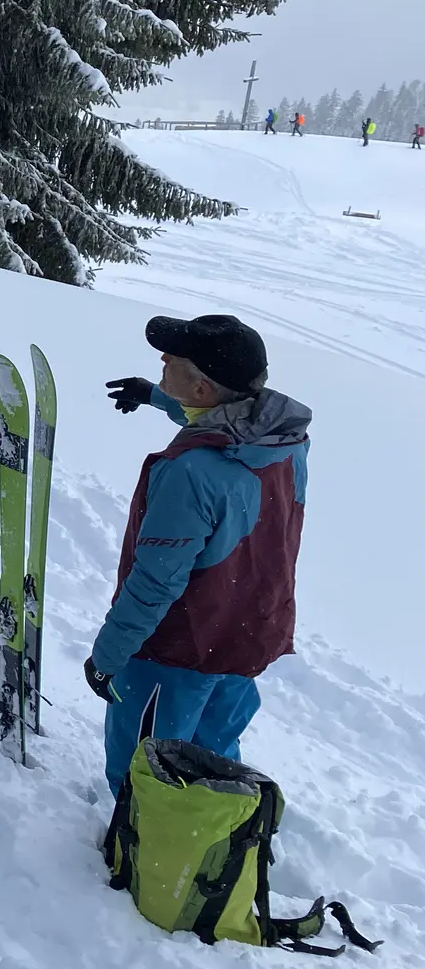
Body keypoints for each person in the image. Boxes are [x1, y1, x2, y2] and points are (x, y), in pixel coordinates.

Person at [91, 315, 308, 797]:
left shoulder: (190, 473)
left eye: (174, 361)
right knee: (210, 763)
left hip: (176, 650)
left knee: (145, 771)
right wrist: (157, 395)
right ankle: (205, 850)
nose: (162, 361)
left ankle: (139, 860)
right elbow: (224, 425)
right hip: (245, 638)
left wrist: (108, 656)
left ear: (204, 388)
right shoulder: (285, 442)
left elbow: (156, 581)